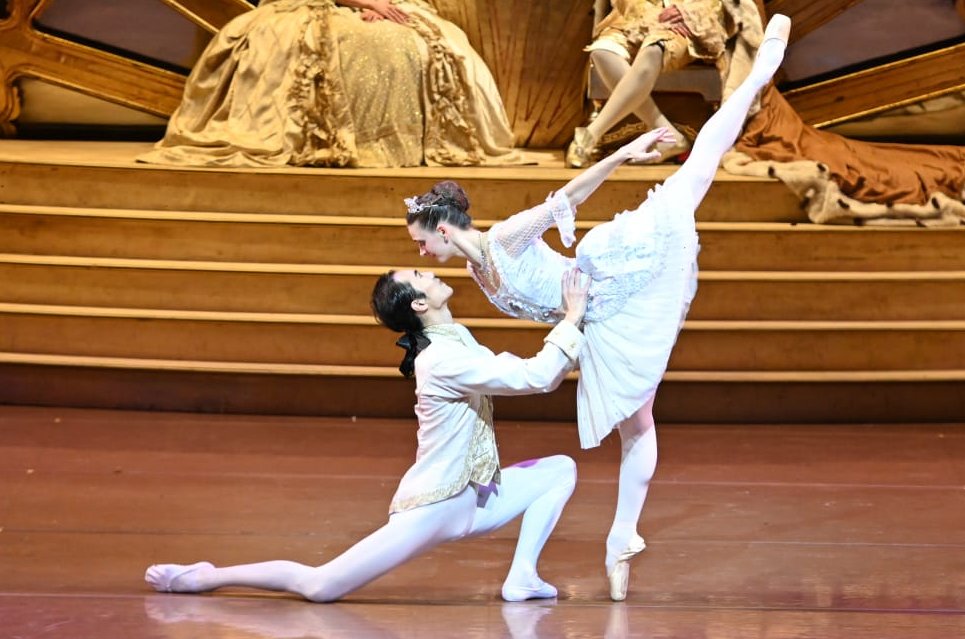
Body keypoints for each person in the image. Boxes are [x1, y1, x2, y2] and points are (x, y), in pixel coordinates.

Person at [403, 14, 791, 600]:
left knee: (695, 175)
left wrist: (625, 152)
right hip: (593, 319)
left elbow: (566, 196)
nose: (422, 252)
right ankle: (621, 539)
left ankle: (760, 70)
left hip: (605, 272)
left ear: (438, 228)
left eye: (420, 241)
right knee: (638, 422)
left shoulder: (500, 239)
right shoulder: (477, 272)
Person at [145, 268, 590, 603]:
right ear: (419, 304)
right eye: (420, 275)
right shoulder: (440, 360)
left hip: (475, 496)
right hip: (435, 507)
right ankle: (206, 575)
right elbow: (536, 376)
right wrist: (572, 317)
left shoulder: (454, 339)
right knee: (320, 585)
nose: (430, 272)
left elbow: (518, 369)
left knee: (559, 471)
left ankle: (522, 577)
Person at [138, 0, 522, 168]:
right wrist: (364, 3)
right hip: (312, 5)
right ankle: (331, 140)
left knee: (422, 41)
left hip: (376, 6)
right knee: (346, 45)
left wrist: (383, 4)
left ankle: (406, 144)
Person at [566, 0, 765, 167]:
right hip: (636, 17)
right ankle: (669, 135)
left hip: (688, 22)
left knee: (654, 48)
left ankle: (591, 134)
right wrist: (651, 15)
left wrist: (687, 13)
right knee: (602, 52)